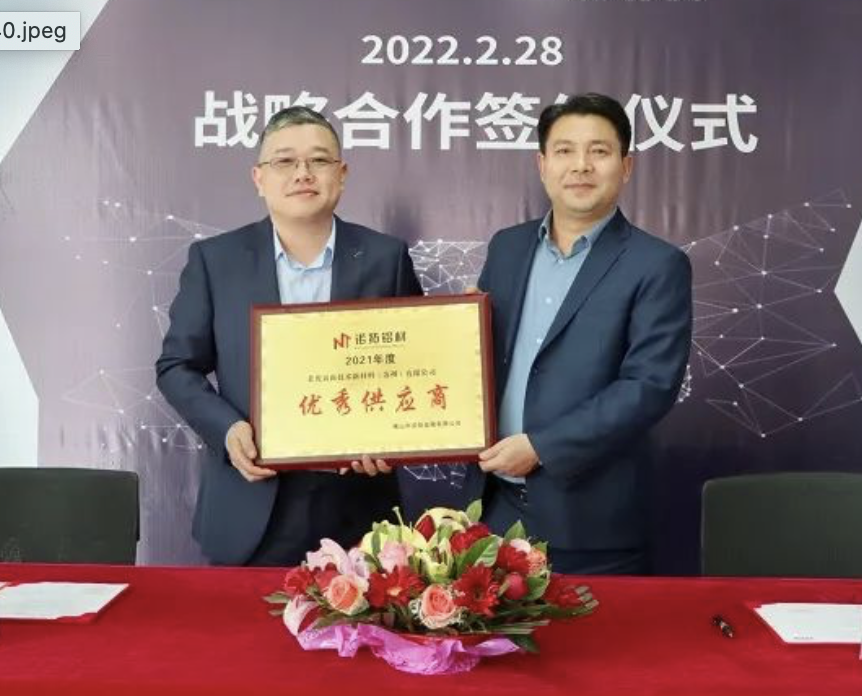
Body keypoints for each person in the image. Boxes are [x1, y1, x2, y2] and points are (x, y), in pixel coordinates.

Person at [156, 107, 423, 566]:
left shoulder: (386, 257)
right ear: (258, 178)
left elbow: (416, 366)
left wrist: (391, 438)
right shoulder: (215, 261)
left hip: (359, 506)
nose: (303, 173)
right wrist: (228, 430)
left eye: (319, 160)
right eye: (284, 161)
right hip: (251, 502)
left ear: (342, 174)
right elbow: (177, 366)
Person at [475, 93, 692, 574]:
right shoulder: (507, 248)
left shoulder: (657, 265)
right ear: (542, 164)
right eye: (565, 150)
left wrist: (542, 447)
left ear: (626, 166)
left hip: (591, 526)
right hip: (493, 515)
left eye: (599, 151)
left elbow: (648, 386)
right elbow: (478, 357)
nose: (580, 166)